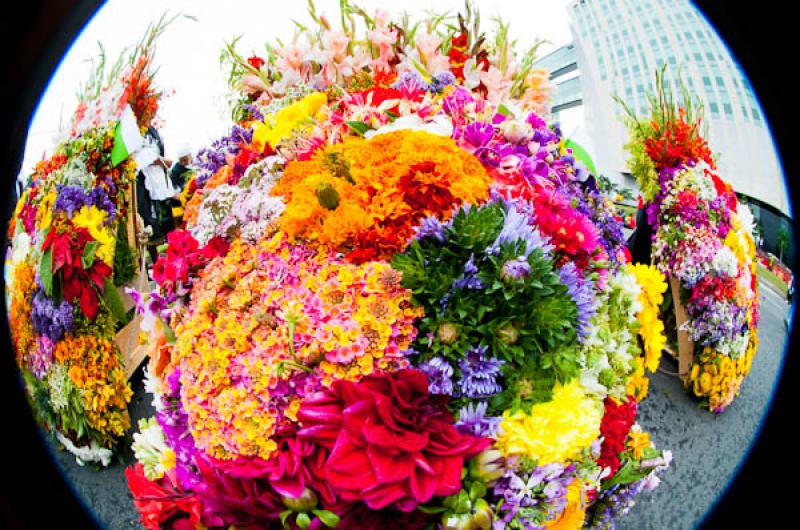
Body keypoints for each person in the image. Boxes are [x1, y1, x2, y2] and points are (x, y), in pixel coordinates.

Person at [135, 126, 175, 261]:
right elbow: (142, 156)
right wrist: (161, 161)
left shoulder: (151, 129)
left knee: (162, 222)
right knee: (149, 223)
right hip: (143, 183)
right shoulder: (134, 129)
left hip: (158, 185)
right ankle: (158, 262)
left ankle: (168, 259)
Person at [168, 145, 193, 227]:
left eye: (185, 160)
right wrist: (183, 197)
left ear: (190, 155)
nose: (183, 163)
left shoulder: (196, 165)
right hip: (179, 205)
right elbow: (172, 191)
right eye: (181, 161)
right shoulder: (175, 171)